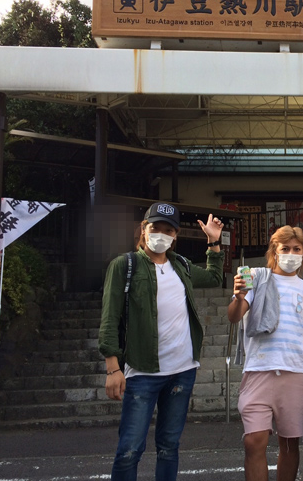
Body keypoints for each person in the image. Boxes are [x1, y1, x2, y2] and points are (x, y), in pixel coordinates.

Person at [99, 202, 224, 481]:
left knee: (169, 447)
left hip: (182, 370)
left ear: (175, 235)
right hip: (142, 371)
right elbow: (109, 318)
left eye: (169, 230)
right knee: (129, 450)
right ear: (144, 229)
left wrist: (213, 243)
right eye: (156, 228)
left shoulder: (181, 265)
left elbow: (214, 277)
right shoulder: (124, 266)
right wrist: (112, 367)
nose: (162, 235)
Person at [227, 225, 303, 481]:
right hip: (259, 370)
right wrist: (238, 297)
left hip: (295, 372)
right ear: (274, 251)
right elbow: (234, 316)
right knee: (254, 441)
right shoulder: (256, 278)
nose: (291, 254)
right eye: (285, 248)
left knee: (290, 442)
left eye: (297, 249)